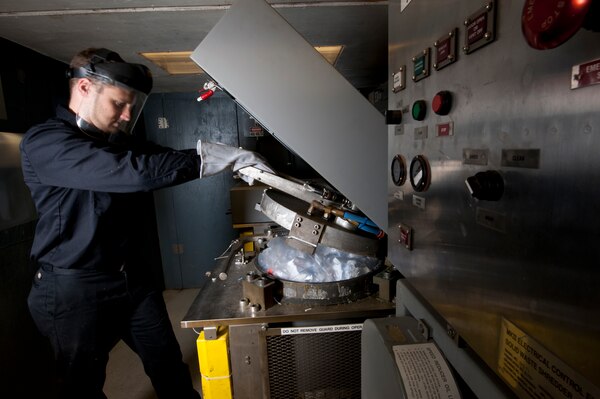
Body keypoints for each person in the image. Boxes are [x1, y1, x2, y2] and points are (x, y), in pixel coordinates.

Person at [20, 47, 274, 399]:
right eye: (119, 104)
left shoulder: (117, 141)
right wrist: (206, 158)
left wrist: (230, 157)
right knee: (83, 384)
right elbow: (133, 172)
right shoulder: (47, 142)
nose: (126, 116)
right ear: (83, 88)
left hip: (130, 279)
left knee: (168, 364)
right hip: (73, 286)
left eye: (132, 106)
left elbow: (157, 158)